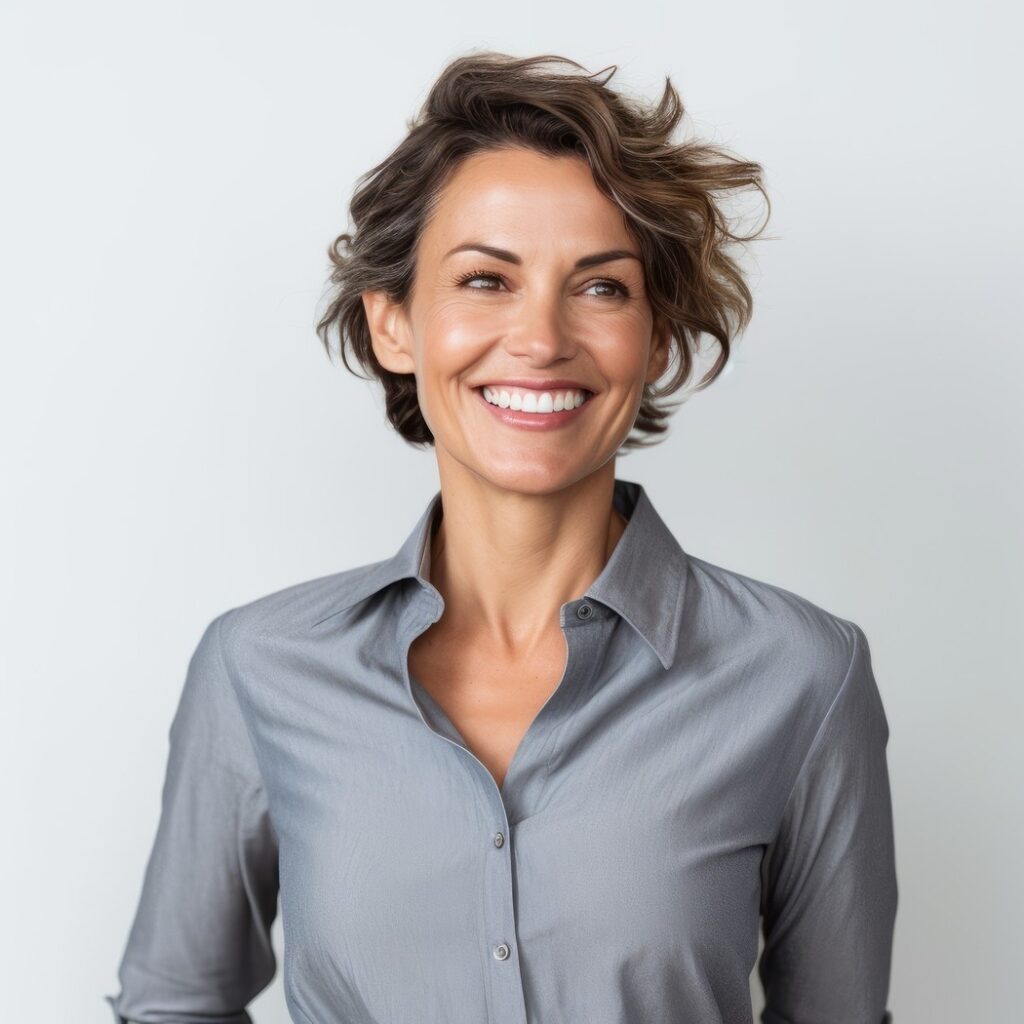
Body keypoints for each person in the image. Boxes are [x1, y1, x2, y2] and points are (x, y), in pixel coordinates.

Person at [105, 51, 897, 1024]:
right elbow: (171, 1004)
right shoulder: (257, 668)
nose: (539, 337)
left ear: (655, 337)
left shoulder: (802, 675)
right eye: (486, 279)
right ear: (394, 323)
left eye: (600, 288)